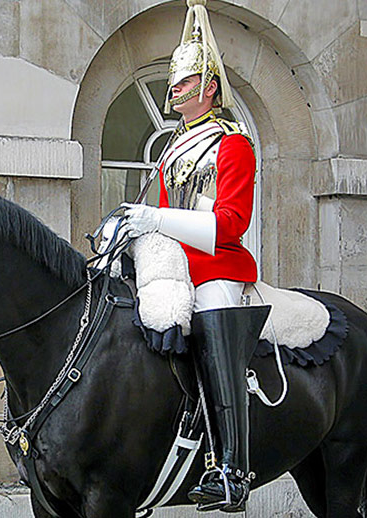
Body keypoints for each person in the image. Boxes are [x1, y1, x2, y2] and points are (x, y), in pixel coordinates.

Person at [122, 0, 268, 511]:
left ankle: (232, 468)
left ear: (209, 87)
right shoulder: (170, 150)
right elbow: (151, 208)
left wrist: (156, 220)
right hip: (169, 268)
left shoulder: (232, 145)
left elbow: (231, 224)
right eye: (173, 83)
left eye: (183, 83)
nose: (173, 90)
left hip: (217, 268)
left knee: (213, 320)